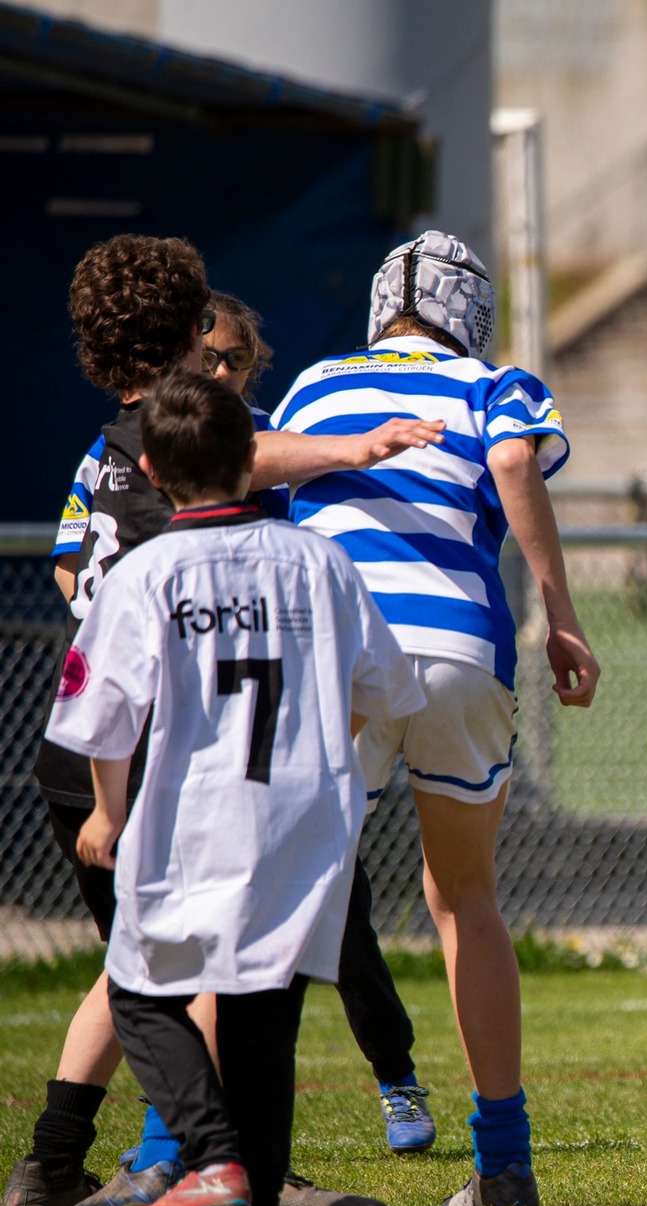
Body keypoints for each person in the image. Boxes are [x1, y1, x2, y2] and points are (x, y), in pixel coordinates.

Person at [2, 236, 441, 1206]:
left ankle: (51, 1168)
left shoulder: (107, 446)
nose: (224, 363)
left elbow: (75, 575)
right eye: (213, 344)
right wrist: (361, 445)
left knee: (139, 964)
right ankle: (228, 1163)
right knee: (196, 969)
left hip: (100, 741)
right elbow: (250, 451)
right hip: (145, 747)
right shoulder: (192, 439)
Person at [275, 230, 599, 1206]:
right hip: (458, 643)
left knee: (285, 903)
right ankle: (502, 1161)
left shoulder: (319, 382)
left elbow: (253, 462)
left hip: (336, 646)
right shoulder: (492, 383)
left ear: (381, 309)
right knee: (465, 896)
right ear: (474, 314)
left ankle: (227, 1150)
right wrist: (561, 617)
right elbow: (513, 467)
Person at [205, 289, 440, 1159]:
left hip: (284, 715)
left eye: (233, 357)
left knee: (335, 908)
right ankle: (177, 1139)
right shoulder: (132, 452)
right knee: (187, 940)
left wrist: (362, 446)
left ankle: (393, 1076)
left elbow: (263, 464)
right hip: (193, 723)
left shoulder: (273, 436)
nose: (218, 371)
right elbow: (83, 565)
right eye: (205, 358)